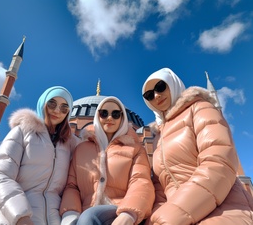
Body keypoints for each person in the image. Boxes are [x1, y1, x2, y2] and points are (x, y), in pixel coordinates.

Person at [142, 67, 253, 225]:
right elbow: (161, 187)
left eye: (160, 87)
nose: (156, 95)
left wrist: (174, 213)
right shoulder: (158, 138)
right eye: (149, 95)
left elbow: (219, 162)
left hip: (223, 209)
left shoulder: (199, 108)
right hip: (179, 217)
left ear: (172, 84)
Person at [0, 86, 81, 225]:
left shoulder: (71, 145)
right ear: (43, 103)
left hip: (52, 214)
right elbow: (1, 175)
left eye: (64, 108)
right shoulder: (23, 132)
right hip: (6, 210)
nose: (57, 110)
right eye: (52, 103)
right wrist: (20, 217)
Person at [59, 96, 155, 225]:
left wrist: (128, 214)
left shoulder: (135, 149)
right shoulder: (81, 149)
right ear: (97, 117)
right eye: (104, 113)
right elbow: (72, 187)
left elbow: (141, 182)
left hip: (119, 210)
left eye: (115, 114)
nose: (109, 118)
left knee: (90, 216)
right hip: (84, 214)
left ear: (122, 118)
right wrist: (70, 213)